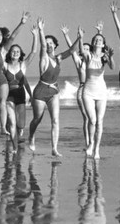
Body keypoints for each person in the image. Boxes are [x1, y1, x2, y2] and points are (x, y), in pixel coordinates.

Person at [27, 17, 82, 157]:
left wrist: (79, 37)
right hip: (40, 91)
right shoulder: (44, 58)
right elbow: (43, 47)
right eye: (47, 43)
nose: (49, 45)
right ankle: (31, 136)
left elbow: (72, 50)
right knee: (37, 119)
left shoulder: (58, 58)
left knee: (56, 120)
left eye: (52, 43)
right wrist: (41, 30)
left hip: (54, 92)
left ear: (55, 46)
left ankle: (54, 148)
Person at [0, 9, 29, 143]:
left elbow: (12, 37)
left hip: (0, 81)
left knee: (2, 102)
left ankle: (3, 127)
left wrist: (22, 23)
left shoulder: (3, 51)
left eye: (0, 35)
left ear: (2, 39)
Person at [60, 21, 103, 149]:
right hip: (83, 90)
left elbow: (99, 46)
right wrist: (67, 35)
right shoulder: (80, 62)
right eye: (83, 49)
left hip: (96, 89)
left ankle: (94, 143)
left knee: (95, 119)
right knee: (87, 118)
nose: (85, 50)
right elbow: (72, 49)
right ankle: (88, 142)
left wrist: (100, 32)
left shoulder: (95, 59)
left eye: (87, 49)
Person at [80, 31, 115, 159]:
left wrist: (110, 57)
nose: (97, 41)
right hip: (88, 91)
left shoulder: (105, 56)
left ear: (103, 43)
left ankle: (97, 149)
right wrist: (81, 37)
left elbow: (112, 67)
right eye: (95, 39)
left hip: (101, 91)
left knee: (99, 121)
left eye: (100, 40)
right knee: (92, 120)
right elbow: (81, 50)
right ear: (93, 42)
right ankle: (90, 143)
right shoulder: (88, 55)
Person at [3, 23, 38, 151]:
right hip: (8, 96)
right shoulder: (5, 66)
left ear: (20, 54)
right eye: (13, 51)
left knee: (21, 124)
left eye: (17, 51)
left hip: (20, 95)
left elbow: (34, 52)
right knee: (12, 122)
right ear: (10, 53)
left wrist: (35, 35)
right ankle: (14, 147)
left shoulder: (23, 65)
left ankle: (17, 134)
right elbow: (1, 52)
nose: (15, 53)